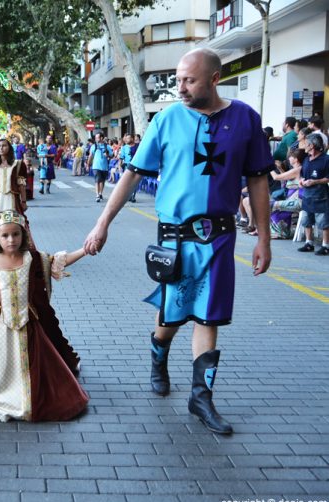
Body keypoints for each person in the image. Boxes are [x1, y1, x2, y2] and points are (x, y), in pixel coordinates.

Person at [84, 48, 274, 435]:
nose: (180, 88)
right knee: (173, 314)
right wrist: (102, 223)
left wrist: (264, 239)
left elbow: (257, 180)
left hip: (219, 235)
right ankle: (158, 353)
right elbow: (134, 174)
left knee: (209, 315)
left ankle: (200, 398)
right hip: (175, 237)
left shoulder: (245, 120)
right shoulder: (168, 119)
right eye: (178, 80)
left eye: (189, 80)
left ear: (215, 79)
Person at [0, 210, 89, 422]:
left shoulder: (33, 259)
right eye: (5, 235)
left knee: (36, 366)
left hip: (29, 325)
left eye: (16, 234)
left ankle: (28, 395)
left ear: (23, 235)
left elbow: (60, 261)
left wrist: (84, 251)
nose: (11, 240)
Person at [296, 133, 329, 255]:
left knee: (323, 221)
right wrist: (301, 181)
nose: (304, 145)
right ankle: (309, 243)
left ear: (312, 145)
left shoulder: (326, 159)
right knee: (306, 219)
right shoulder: (306, 159)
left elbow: (328, 178)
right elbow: (303, 175)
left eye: (306, 143)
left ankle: (326, 245)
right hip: (307, 194)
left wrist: (315, 181)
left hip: (321, 194)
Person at [0, 138, 28, 222]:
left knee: (15, 222)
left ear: (9, 148)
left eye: (4, 146)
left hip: (13, 198)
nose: (1, 148)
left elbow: (21, 185)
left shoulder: (18, 164)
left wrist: (23, 201)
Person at [89, 132, 113, 202]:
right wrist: (88, 164)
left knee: (102, 181)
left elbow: (112, 156)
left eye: (97, 137)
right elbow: (91, 155)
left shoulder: (107, 146)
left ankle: (100, 193)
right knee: (97, 180)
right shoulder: (94, 146)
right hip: (96, 166)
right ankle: (97, 195)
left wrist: (108, 155)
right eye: (95, 138)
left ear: (101, 138)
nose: (96, 139)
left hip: (104, 166)